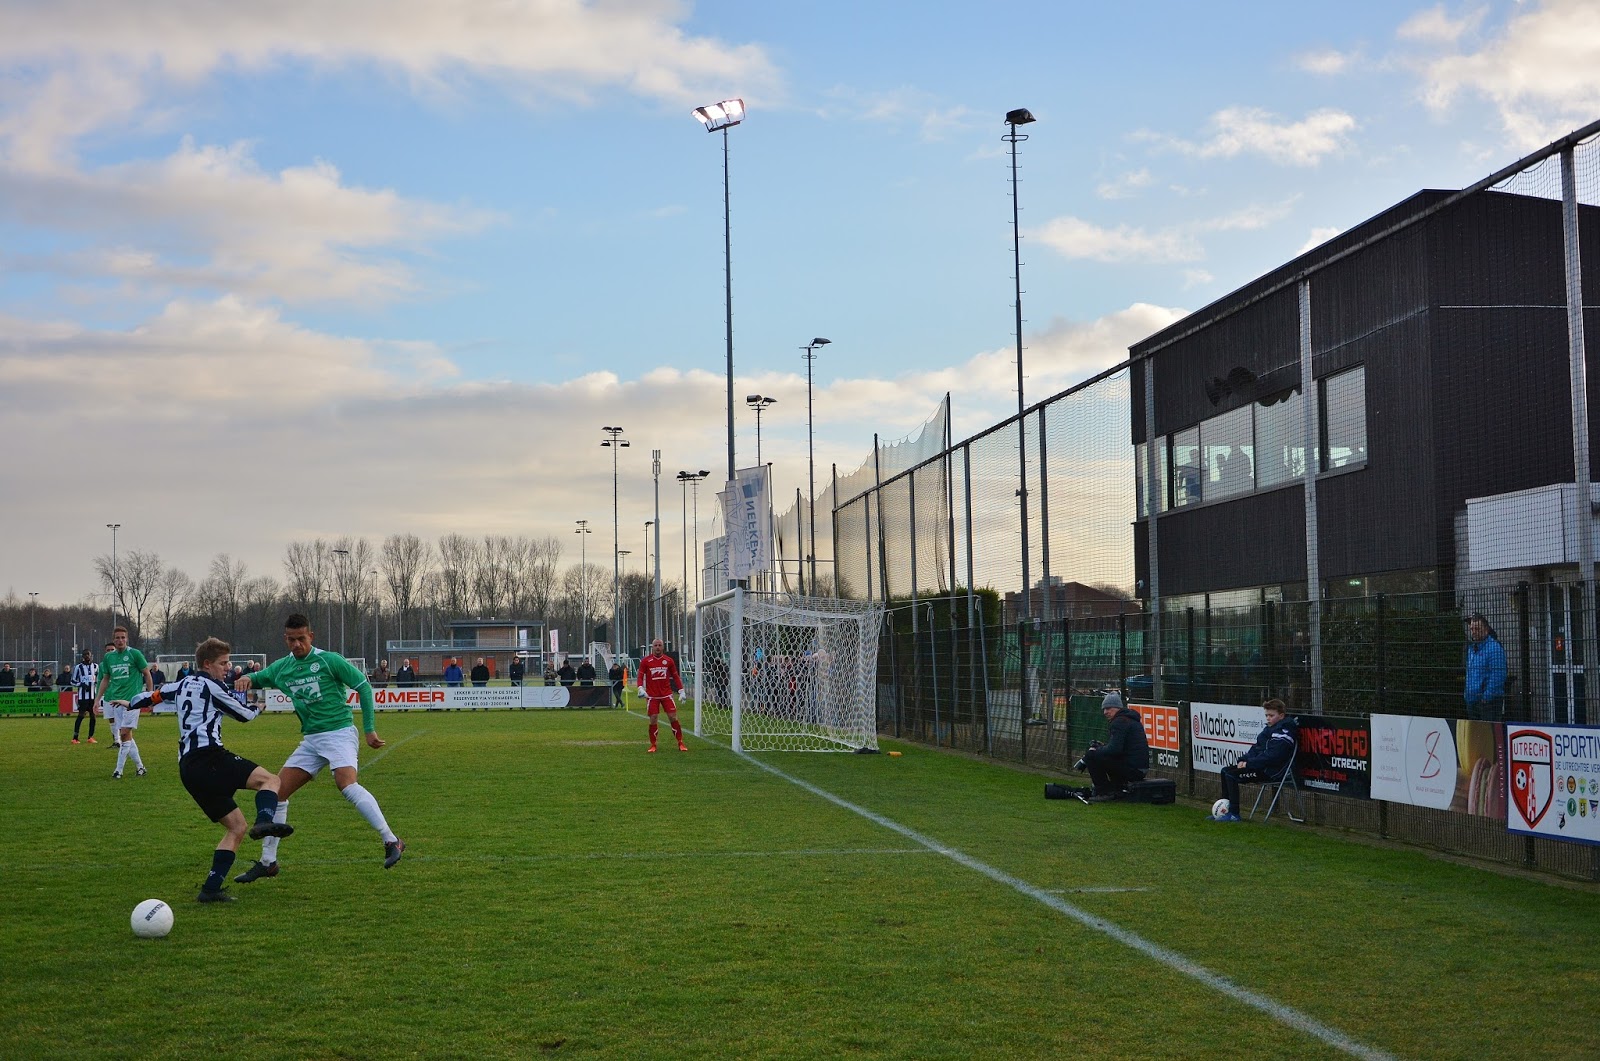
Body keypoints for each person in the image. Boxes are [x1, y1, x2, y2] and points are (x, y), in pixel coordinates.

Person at [231, 614, 403, 884]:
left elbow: (363, 687)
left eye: (301, 638)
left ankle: (391, 840)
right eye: (291, 639)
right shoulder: (283, 668)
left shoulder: (329, 660)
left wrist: (369, 729)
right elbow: (261, 677)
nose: (297, 644)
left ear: (311, 636)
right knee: (276, 791)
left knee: (346, 784)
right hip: (311, 740)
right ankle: (268, 862)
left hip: (339, 733)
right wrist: (247, 679)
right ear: (285, 639)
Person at [126, 637, 294, 902]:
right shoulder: (211, 686)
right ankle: (265, 821)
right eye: (223, 663)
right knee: (271, 781)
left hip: (188, 769)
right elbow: (244, 715)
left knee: (236, 827)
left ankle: (211, 889)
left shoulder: (180, 684)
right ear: (207, 664)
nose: (227, 668)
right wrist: (257, 707)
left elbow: (150, 696)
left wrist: (131, 703)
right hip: (210, 757)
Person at [1210, 698, 1298, 822]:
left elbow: (1273, 756)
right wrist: (1243, 760)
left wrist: (1249, 763)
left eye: (1271, 715)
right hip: (1260, 766)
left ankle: (1234, 814)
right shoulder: (1268, 730)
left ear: (1281, 716)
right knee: (1225, 771)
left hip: (1271, 772)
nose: (1268, 718)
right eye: (1266, 715)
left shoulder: (1284, 733)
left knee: (1231, 775)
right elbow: (1256, 749)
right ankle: (1225, 810)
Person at [97, 626, 153, 779]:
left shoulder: (135, 654)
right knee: (127, 736)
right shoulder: (109, 658)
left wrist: (150, 696)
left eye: (123, 637)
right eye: (117, 638)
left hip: (132, 701)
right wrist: (97, 700)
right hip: (116, 702)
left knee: (123, 734)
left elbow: (147, 674)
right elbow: (105, 679)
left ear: (126, 639)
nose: (120, 640)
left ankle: (118, 770)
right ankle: (140, 768)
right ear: (113, 640)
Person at [1081, 691, 1149, 801]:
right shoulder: (1129, 719)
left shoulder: (1119, 722)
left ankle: (1104, 792)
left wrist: (1096, 750)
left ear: (1117, 708)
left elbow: (1114, 749)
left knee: (1092, 755)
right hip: (1138, 768)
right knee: (1099, 754)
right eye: (1104, 709)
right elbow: (1120, 748)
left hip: (1134, 770)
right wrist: (1102, 747)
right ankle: (1114, 787)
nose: (1105, 712)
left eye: (1108, 708)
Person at [637, 638, 687, 753]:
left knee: (673, 717)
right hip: (652, 696)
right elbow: (640, 676)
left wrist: (681, 690)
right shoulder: (646, 661)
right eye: (656, 645)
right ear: (652, 647)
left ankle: (680, 743)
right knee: (653, 719)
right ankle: (653, 745)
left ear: (663, 647)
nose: (658, 647)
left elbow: (675, 676)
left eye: (660, 645)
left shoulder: (668, 661)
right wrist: (640, 687)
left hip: (666, 695)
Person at [1464, 612, 1507, 721]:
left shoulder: (1494, 648)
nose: (1474, 632)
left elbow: (1498, 675)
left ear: (1486, 629)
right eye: (1472, 629)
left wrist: (1486, 698)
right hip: (1473, 701)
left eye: (1477, 629)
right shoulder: (1472, 649)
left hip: (1488, 703)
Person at [70, 649, 98, 744]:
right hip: (83, 697)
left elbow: (99, 678)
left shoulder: (95, 666)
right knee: (81, 716)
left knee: (93, 717)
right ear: (82, 656)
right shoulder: (78, 667)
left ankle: (90, 737)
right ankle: (75, 737)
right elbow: (72, 681)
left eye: (88, 654)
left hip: (93, 696)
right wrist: (81, 684)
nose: (87, 656)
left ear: (91, 656)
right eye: (85, 654)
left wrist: (96, 682)